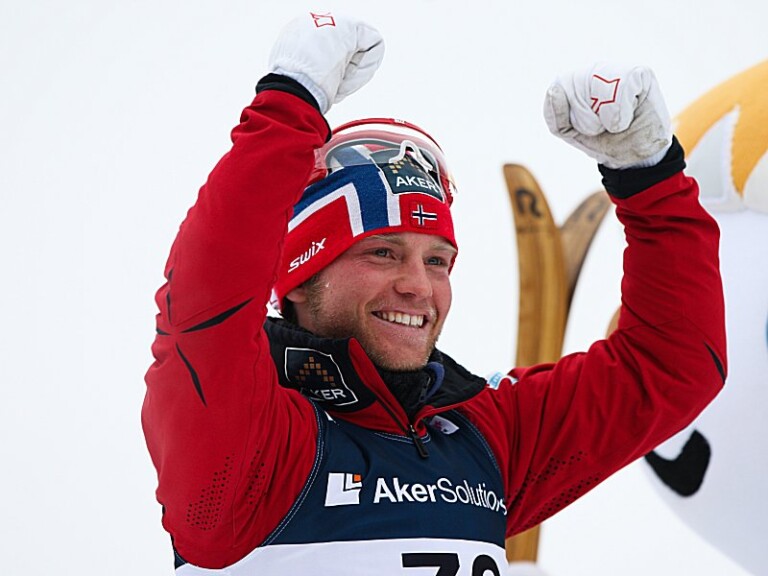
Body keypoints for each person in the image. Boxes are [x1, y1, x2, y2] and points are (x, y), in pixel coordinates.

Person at [142, 12, 727, 575]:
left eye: (438, 261)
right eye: (382, 252)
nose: (418, 286)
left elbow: (672, 366)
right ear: (298, 275)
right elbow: (204, 305)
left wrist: (649, 176)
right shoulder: (252, 443)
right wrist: (288, 102)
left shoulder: (484, 433)